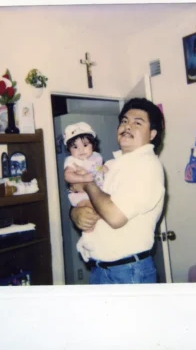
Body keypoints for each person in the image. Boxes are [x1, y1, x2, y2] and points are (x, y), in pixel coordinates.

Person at [69, 98, 166, 285]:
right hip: (101, 269)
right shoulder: (111, 165)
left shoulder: (147, 166)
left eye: (137, 122)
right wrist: (75, 213)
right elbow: (85, 197)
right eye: (124, 121)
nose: (127, 126)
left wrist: (88, 185)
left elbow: (114, 216)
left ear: (152, 134)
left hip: (129, 273)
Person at [63, 122, 109, 262]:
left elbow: (99, 171)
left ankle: (94, 240)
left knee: (98, 215)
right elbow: (68, 175)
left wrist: (104, 170)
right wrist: (82, 177)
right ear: (69, 149)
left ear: (93, 145)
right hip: (80, 195)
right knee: (90, 213)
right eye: (75, 147)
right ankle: (86, 241)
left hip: (95, 192)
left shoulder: (96, 157)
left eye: (85, 145)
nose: (81, 150)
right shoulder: (72, 160)